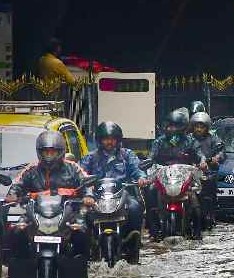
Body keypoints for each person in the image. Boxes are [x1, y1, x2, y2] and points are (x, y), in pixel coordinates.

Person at [4, 131, 93, 263]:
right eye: (46, 152)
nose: (49, 156)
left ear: (61, 152)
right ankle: (20, 262)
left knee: (82, 231)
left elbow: (86, 182)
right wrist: (12, 195)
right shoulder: (31, 169)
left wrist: (88, 196)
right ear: (40, 152)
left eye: (53, 152)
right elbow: (17, 184)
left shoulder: (73, 168)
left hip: (68, 212)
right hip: (35, 212)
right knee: (17, 230)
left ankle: (82, 263)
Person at [80, 122, 147, 250]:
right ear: (100, 140)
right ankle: (88, 246)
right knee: (82, 214)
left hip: (122, 195)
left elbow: (137, 168)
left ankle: (133, 242)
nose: (109, 142)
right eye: (105, 139)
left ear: (118, 140)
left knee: (135, 208)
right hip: (97, 197)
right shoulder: (90, 158)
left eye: (112, 139)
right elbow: (81, 174)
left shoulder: (127, 155)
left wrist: (141, 178)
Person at [148, 109, 207, 240]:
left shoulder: (190, 141)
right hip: (163, 177)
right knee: (151, 191)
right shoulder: (159, 142)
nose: (170, 128)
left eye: (174, 125)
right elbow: (151, 156)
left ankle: (197, 232)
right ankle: (153, 231)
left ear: (182, 127)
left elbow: (199, 155)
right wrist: (148, 161)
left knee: (196, 195)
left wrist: (202, 161)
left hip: (185, 178)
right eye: (169, 125)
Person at [190, 111, 225, 229]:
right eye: (197, 126)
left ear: (207, 127)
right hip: (190, 171)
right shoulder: (188, 139)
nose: (199, 129)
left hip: (208, 171)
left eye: (202, 126)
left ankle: (210, 213)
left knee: (209, 190)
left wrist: (217, 158)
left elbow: (221, 151)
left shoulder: (213, 139)